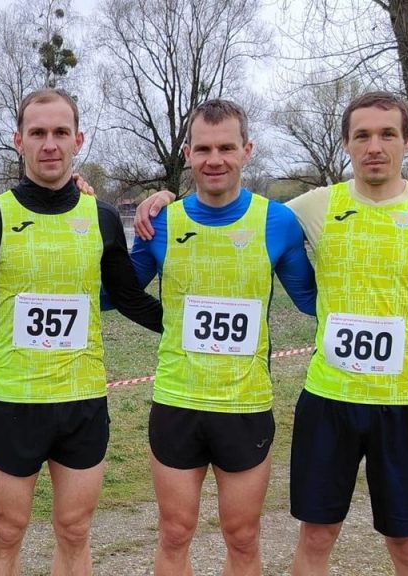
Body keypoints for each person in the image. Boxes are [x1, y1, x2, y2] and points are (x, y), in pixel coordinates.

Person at [134, 91, 408, 576]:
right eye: (362, 135)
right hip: (328, 402)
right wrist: (164, 199)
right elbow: (229, 204)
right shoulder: (312, 208)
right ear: (346, 143)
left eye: (387, 134)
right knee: (314, 537)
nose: (374, 146)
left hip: (405, 403)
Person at [0, 88, 164, 576]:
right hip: (13, 400)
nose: (49, 144)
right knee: (6, 532)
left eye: (61, 132)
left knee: (76, 530)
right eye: (38, 133)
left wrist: (187, 330)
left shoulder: (102, 217)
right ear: (18, 140)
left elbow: (128, 297)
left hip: (82, 400)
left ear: (77, 140)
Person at [127, 100, 316, 575]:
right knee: (174, 533)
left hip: (245, 404)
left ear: (247, 150)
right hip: (178, 401)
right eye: (204, 149)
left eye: (227, 148)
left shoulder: (278, 222)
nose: (215, 159)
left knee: (243, 537)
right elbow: (117, 293)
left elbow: (313, 300)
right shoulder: (161, 222)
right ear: (188, 153)